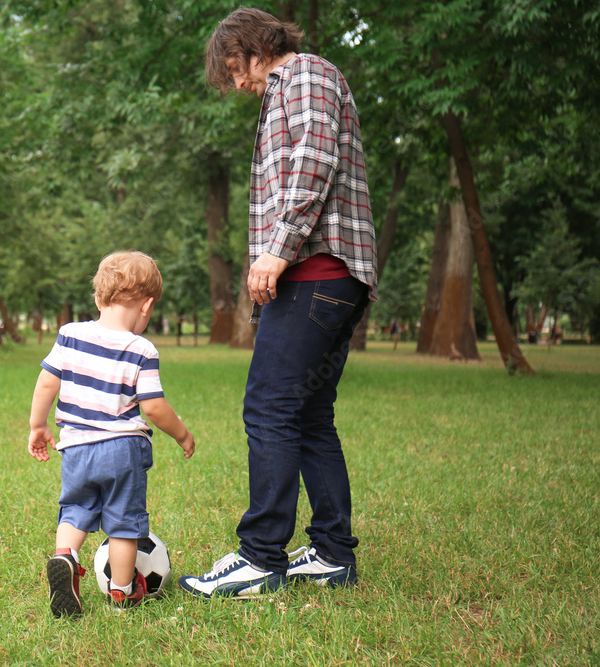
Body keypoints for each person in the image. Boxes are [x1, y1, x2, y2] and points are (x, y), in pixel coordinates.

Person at [179, 8, 377, 599]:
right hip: (322, 276)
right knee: (310, 414)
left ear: (254, 46)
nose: (237, 83)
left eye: (235, 68)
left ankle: (261, 557)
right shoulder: (283, 93)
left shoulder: (307, 74)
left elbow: (312, 167)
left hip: (317, 272)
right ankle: (333, 553)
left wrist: (277, 249)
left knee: (267, 407)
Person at [28, 251, 195, 617]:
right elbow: (153, 407)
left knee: (74, 509)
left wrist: (38, 425)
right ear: (147, 305)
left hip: (75, 448)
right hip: (123, 449)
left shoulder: (70, 334)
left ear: (98, 297)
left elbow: (45, 383)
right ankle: (122, 593)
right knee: (123, 523)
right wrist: (182, 434)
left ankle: (65, 557)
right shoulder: (141, 349)